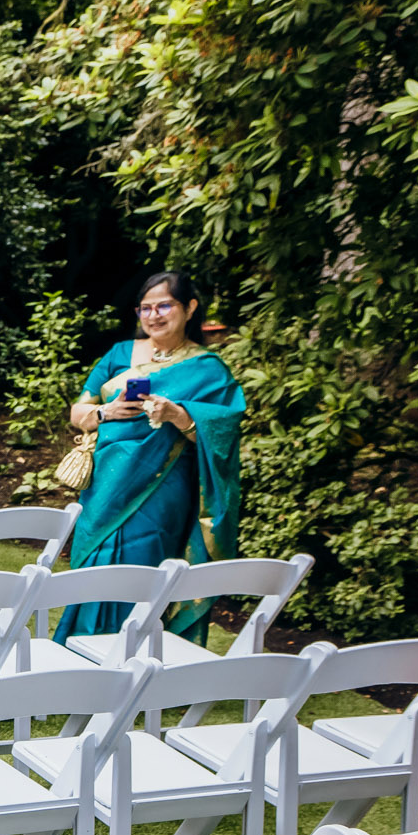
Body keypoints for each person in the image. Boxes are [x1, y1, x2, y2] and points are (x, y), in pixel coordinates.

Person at [56, 271, 247, 643]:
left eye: (164, 305)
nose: (154, 315)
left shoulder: (209, 370)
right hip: (106, 484)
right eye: (146, 308)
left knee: (143, 565)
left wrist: (178, 414)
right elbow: (78, 411)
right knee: (95, 564)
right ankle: (78, 656)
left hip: (162, 489)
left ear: (190, 308)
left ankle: (137, 664)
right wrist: (102, 413)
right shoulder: (120, 354)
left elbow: (223, 435)